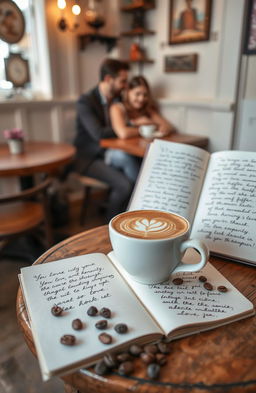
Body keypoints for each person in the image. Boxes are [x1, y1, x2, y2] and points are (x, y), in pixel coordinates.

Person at [74, 58, 138, 222]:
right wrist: (122, 128)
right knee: (126, 185)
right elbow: (97, 133)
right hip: (90, 157)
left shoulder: (117, 100)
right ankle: (110, 226)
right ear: (109, 79)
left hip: (112, 153)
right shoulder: (85, 101)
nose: (125, 85)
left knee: (136, 167)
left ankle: (129, 218)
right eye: (122, 81)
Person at [109, 75, 175, 140]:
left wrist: (150, 123)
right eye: (137, 94)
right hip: (120, 148)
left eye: (145, 95)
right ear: (128, 92)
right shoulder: (117, 108)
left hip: (139, 146)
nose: (141, 99)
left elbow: (167, 126)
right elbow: (123, 133)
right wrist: (145, 128)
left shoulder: (147, 109)